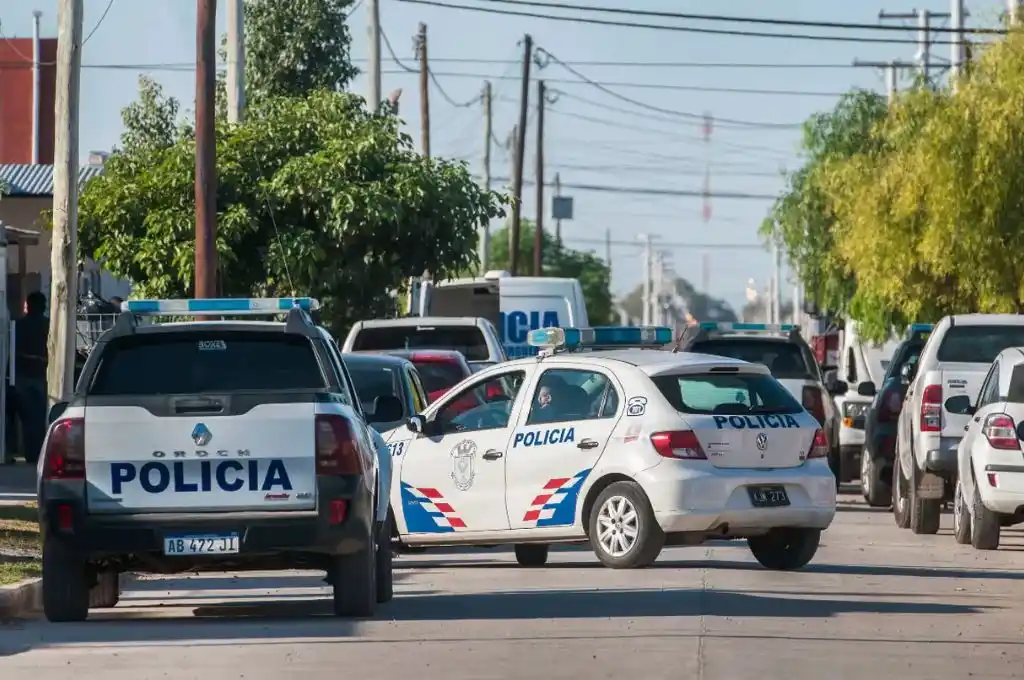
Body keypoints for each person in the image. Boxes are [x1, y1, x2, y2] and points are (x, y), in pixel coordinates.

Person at [14, 291, 50, 465]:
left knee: (27, 419)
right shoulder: (48, 325)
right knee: (40, 417)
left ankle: (30, 453)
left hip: (21, 376)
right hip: (42, 376)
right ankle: (39, 452)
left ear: (27, 305)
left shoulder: (18, 326)